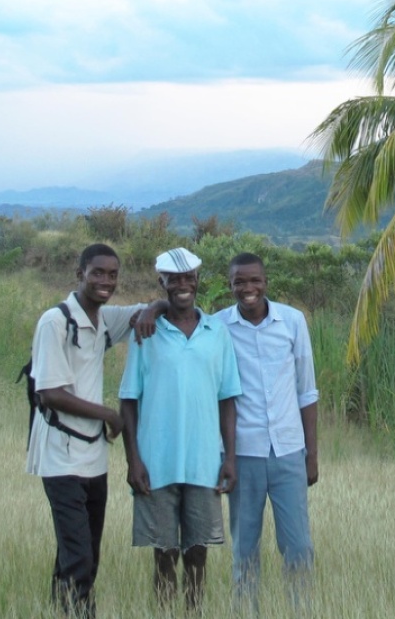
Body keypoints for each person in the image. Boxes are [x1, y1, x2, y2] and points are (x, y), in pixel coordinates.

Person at [26, 242, 163, 618]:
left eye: (113, 274)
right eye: (97, 273)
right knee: (78, 557)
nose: (106, 281)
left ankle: (64, 610)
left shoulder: (103, 319)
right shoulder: (55, 322)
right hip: (60, 457)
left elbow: (153, 307)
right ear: (79, 273)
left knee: (84, 553)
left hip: (93, 459)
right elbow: (50, 393)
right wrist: (109, 414)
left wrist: (154, 308)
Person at [120, 247, 243, 611]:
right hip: (156, 462)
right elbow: (128, 400)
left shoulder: (216, 333)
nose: (182, 285)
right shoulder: (145, 332)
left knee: (198, 552)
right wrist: (133, 461)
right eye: (174, 279)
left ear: (198, 281)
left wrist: (229, 458)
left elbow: (228, 400)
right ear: (162, 283)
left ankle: (194, 611)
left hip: (204, 462)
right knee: (164, 553)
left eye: (189, 277)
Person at [214, 252, 319, 612]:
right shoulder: (218, 327)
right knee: (245, 547)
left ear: (266, 282)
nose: (248, 289)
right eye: (239, 282)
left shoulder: (292, 322)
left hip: (289, 452)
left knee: (299, 545)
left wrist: (311, 455)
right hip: (243, 454)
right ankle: (246, 611)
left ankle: (301, 608)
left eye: (254, 280)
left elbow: (307, 391)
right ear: (229, 286)